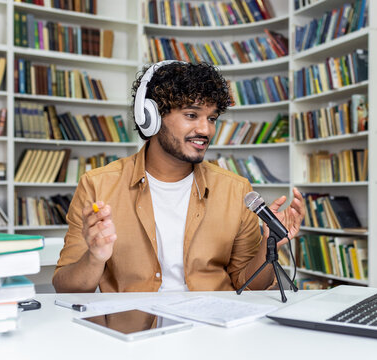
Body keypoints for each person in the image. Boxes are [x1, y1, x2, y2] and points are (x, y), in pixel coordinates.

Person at [52, 61, 305, 293]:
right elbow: (67, 288)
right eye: (191, 115)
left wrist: (269, 245)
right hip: (134, 338)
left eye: (212, 118)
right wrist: (95, 257)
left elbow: (249, 286)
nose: (205, 130)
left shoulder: (236, 190)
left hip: (211, 333)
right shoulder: (98, 186)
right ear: (150, 117)